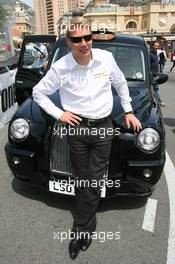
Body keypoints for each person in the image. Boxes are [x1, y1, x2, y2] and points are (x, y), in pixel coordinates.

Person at [32, 18, 142, 260]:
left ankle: (81, 229)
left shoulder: (105, 58)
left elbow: (121, 84)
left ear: (92, 37)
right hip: (78, 130)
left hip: (103, 128)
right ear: (69, 42)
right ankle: (86, 223)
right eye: (77, 40)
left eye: (87, 38)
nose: (84, 43)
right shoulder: (61, 67)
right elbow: (38, 92)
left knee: (92, 180)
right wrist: (60, 114)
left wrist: (129, 111)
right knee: (83, 179)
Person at [149, 41, 166, 107]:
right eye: (155, 46)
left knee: (155, 88)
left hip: (156, 73)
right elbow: (147, 64)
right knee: (154, 88)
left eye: (157, 46)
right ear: (152, 46)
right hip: (151, 74)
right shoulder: (149, 54)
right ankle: (158, 101)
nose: (156, 47)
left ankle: (157, 101)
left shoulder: (156, 53)